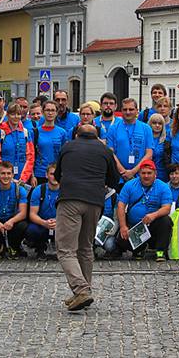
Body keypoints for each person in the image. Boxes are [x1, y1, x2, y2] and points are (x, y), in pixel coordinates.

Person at [56, 123, 120, 311]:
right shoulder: (105, 150)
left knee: (66, 249)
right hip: (94, 202)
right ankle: (83, 292)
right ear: (97, 136)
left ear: (77, 134)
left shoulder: (68, 146)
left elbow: (58, 174)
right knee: (85, 247)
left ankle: (81, 289)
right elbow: (114, 180)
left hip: (70, 199)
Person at [115, 160, 173, 261]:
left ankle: (160, 252)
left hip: (153, 225)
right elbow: (121, 205)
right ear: (139, 174)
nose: (146, 176)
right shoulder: (129, 185)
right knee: (121, 240)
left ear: (155, 173)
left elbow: (167, 208)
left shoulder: (163, 186)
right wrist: (123, 226)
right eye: (143, 173)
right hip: (135, 226)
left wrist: (153, 215)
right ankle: (139, 249)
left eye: (149, 173)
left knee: (166, 221)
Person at [0, 162, 30, 259]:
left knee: (24, 225)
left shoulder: (20, 190)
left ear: (13, 175)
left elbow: (23, 213)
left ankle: (14, 246)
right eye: (3, 173)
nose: (6, 176)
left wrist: (11, 221)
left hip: (12, 220)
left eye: (9, 173)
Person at [107, 98, 155, 185]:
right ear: (121, 110)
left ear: (137, 111)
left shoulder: (146, 128)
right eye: (125, 109)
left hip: (141, 176)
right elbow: (110, 153)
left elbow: (149, 153)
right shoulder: (113, 128)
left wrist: (133, 172)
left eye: (131, 109)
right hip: (119, 176)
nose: (128, 112)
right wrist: (123, 172)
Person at [0, 103, 35, 183]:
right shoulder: (0, 133)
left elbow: (30, 157)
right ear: (7, 115)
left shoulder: (26, 133)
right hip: (4, 178)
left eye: (18, 114)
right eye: (13, 114)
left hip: (22, 178)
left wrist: (24, 178)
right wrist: (4, 175)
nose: (16, 117)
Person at [26, 163, 60, 259]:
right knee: (31, 230)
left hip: (60, 223)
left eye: (57, 174)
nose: (55, 177)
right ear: (46, 175)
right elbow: (32, 214)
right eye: (52, 174)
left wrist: (58, 221)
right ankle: (40, 247)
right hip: (42, 223)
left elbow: (70, 213)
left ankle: (61, 248)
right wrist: (44, 223)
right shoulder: (38, 190)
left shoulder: (66, 191)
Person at [33, 101, 68, 184]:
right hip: (40, 173)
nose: (50, 113)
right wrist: (32, 175)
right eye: (47, 110)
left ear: (56, 113)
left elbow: (63, 154)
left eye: (53, 110)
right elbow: (31, 155)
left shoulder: (62, 132)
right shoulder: (35, 132)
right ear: (42, 112)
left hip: (56, 173)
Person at [147, 113, 170, 181]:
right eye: (154, 123)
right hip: (147, 174)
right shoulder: (145, 139)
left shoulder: (167, 139)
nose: (157, 125)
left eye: (160, 123)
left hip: (163, 175)